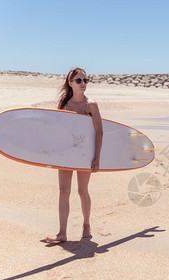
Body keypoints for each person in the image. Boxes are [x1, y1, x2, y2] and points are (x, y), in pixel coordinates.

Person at [46, 67, 103, 242]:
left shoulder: (91, 104)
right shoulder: (64, 105)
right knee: (64, 191)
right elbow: (58, 131)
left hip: (85, 153)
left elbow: (99, 132)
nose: (83, 84)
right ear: (70, 83)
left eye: (85, 80)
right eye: (79, 81)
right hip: (66, 153)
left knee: (82, 190)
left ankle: (86, 224)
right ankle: (62, 233)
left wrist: (97, 158)